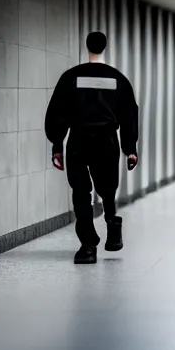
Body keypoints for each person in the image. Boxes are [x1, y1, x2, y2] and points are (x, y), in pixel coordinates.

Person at [45, 32, 139, 264]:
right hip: (107, 141)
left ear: (87, 46)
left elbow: (58, 112)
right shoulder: (118, 79)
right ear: (105, 47)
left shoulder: (71, 77)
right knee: (107, 189)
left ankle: (87, 246)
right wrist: (130, 148)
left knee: (80, 192)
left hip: (78, 139)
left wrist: (57, 143)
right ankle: (112, 228)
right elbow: (129, 115)